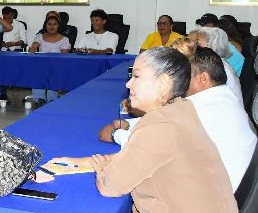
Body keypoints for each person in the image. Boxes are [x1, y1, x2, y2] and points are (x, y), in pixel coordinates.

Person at [54, 47, 237, 213]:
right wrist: (91, 162)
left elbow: (110, 186)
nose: (128, 84)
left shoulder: (158, 126)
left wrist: (101, 170)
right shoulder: (181, 111)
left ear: (163, 84)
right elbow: (142, 158)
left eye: (137, 76)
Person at [103, 45, 255, 190]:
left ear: (203, 79)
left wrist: (115, 134)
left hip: (213, 202)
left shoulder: (199, 109)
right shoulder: (223, 98)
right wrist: (130, 123)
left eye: (185, 74)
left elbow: (146, 144)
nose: (178, 79)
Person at [29, 14, 70, 103]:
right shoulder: (40, 36)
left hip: (57, 66)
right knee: (37, 72)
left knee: (54, 74)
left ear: (58, 26)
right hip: (42, 65)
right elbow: (33, 47)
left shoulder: (64, 39)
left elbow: (65, 57)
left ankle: (52, 100)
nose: (52, 26)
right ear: (45, 25)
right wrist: (33, 47)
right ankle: (39, 100)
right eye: (49, 24)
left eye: (54, 24)